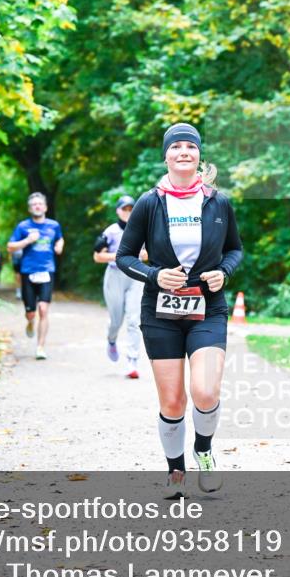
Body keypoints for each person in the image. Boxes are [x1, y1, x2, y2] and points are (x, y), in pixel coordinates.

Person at [116, 123, 243, 499]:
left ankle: (203, 449)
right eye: (176, 147)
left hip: (208, 308)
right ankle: (175, 472)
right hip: (160, 312)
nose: (183, 151)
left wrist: (224, 272)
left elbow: (235, 249)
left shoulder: (218, 201)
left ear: (199, 155)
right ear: (166, 155)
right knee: (172, 401)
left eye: (190, 146)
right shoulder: (149, 202)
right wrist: (156, 275)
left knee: (205, 391)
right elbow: (124, 257)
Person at [8, 192, 64, 360]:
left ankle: (40, 347)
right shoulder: (23, 227)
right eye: (34, 204)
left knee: (44, 309)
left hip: (47, 270)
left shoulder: (53, 225)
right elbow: (10, 247)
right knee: (31, 312)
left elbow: (60, 239)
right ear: (30, 208)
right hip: (28, 272)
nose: (37, 206)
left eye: (40, 204)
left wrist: (59, 246)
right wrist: (27, 241)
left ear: (45, 207)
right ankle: (30, 321)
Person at [94, 195, 145, 379]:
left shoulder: (142, 229)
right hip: (115, 276)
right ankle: (112, 339)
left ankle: (132, 361)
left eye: (131, 209)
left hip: (135, 276)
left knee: (134, 319)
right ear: (118, 211)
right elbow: (97, 256)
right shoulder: (110, 232)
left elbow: (149, 254)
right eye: (125, 209)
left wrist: (137, 255)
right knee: (116, 319)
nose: (128, 213)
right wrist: (120, 256)